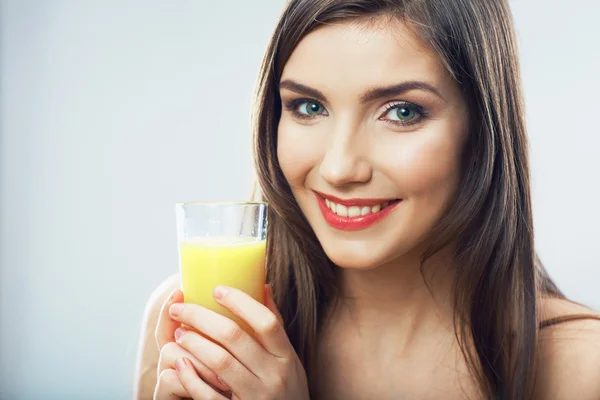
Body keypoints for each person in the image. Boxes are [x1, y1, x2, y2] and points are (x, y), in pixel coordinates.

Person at [134, 0, 600, 399]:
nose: (339, 168)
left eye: (401, 112)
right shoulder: (198, 330)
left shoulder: (581, 369)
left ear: (481, 131)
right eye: (309, 107)